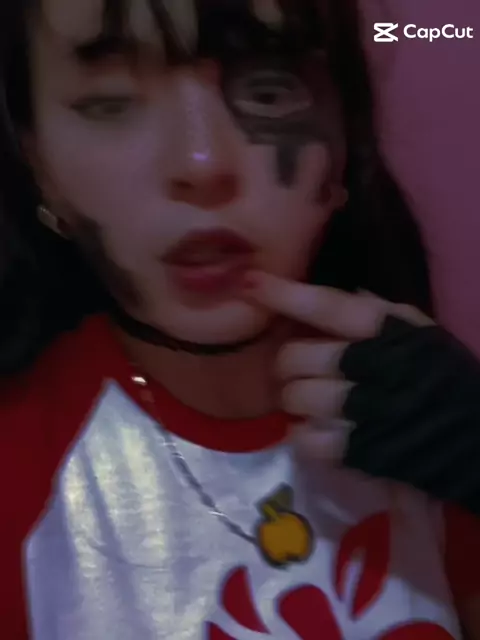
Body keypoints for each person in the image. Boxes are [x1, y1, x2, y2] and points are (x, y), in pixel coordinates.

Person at [1, 0, 480, 638]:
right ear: (37, 162)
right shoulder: (19, 472)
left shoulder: (427, 420)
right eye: (111, 103)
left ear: (347, 140)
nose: (201, 164)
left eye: (268, 92)